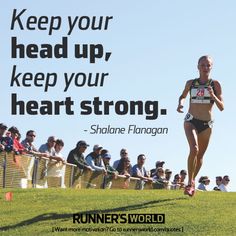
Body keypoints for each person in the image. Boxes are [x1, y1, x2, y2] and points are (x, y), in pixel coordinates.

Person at [177, 55, 224, 197]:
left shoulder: (215, 84)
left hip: (207, 124)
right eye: (202, 65)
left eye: (208, 65)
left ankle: (192, 181)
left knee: (201, 154)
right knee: (194, 149)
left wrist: (213, 95)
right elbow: (183, 96)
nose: (205, 67)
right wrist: (181, 104)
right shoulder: (191, 83)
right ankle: (189, 184)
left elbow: (221, 107)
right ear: (198, 67)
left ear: (211, 67)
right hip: (191, 120)